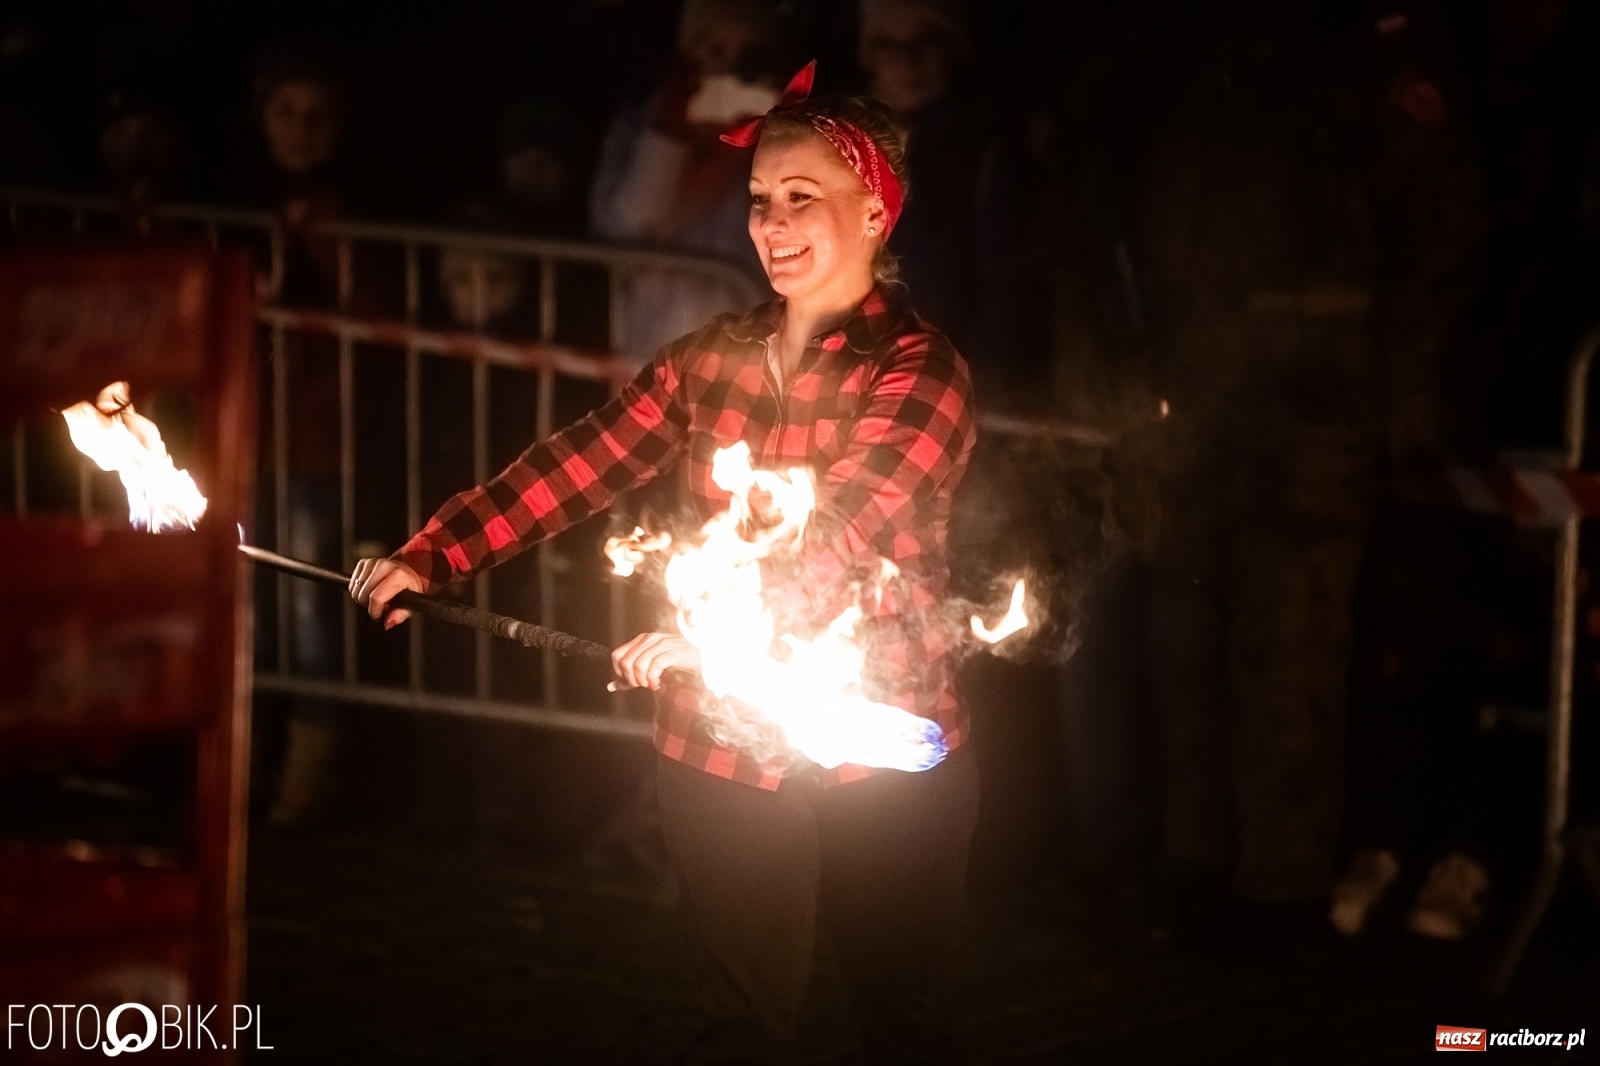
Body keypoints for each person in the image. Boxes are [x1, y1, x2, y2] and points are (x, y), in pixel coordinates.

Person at [351, 64, 979, 1062]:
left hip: (878, 747)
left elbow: (845, 528)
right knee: (739, 1020)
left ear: (875, 212)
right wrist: (438, 553)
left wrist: (707, 635)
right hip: (719, 749)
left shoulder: (919, 371)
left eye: (802, 201)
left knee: (904, 1023)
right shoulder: (708, 358)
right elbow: (581, 461)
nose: (772, 226)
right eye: (761, 202)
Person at [589, 0, 788, 363]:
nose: (729, 67)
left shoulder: (783, 137)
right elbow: (622, 230)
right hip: (654, 351)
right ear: (689, 52)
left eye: (749, 55)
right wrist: (667, 140)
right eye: (714, 49)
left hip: (748, 364)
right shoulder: (639, 127)